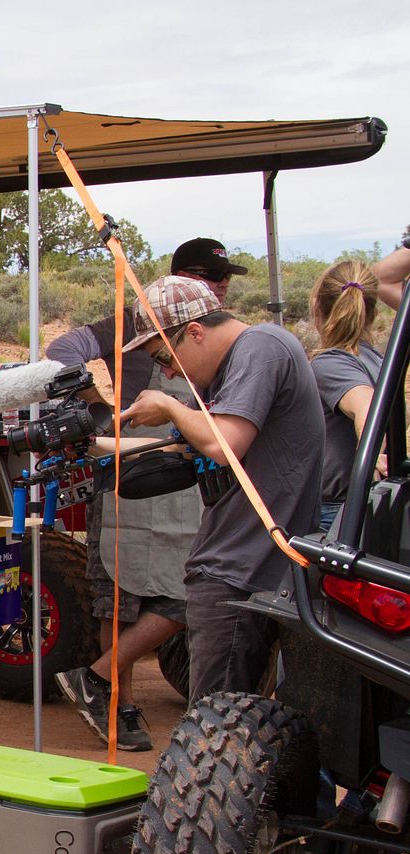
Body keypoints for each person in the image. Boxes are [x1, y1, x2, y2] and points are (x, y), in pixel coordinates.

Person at [50, 238, 241, 750]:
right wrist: (98, 403)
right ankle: (118, 702)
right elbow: (63, 351)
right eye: (218, 279)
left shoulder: (214, 339)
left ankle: (97, 673)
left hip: (181, 477)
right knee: (120, 598)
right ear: (193, 280)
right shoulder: (129, 323)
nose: (224, 289)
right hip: (128, 473)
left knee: (182, 592)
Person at [118, 276, 323, 702]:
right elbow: (186, 442)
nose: (170, 372)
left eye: (165, 358)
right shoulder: (233, 369)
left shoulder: (260, 348)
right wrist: (98, 443)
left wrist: (170, 404)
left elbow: (222, 443)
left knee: (213, 726)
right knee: (233, 721)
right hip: (241, 567)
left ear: (194, 332)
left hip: (240, 570)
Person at [309, 261, 386, 530]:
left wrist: (372, 459)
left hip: (339, 511)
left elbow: (365, 407)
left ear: (317, 306)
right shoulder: (378, 361)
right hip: (361, 503)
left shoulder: (331, 362)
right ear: (373, 313)